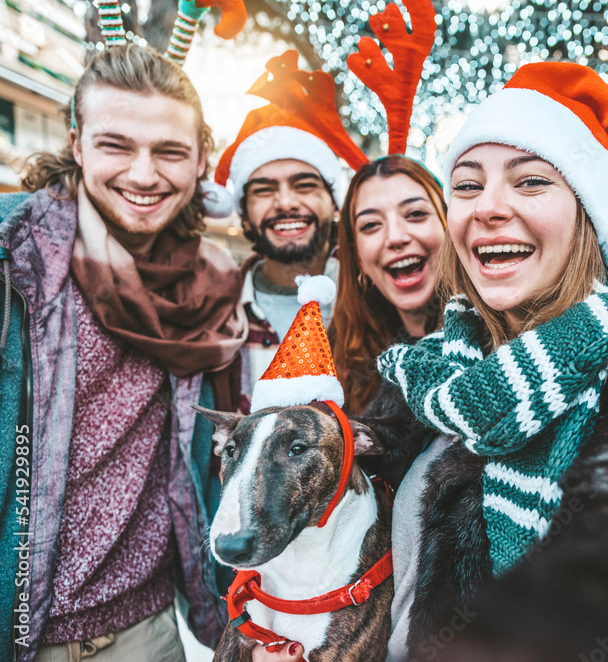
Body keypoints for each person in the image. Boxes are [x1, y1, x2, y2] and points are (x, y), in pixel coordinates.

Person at [366, 61, 608, 660]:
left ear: (587, 218)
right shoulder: (429, 371)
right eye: (467, 185)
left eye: (531, 182)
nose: (488, 207)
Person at [0, 44, 247, 661]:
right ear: (77, 144)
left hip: (150, 634)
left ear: (199, 163)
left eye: (168, 151)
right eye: (116, 146)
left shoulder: (209, 287)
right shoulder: (15, 260)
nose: (143, 175)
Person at [213, 51, 369, 407]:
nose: (285, 202)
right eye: (265, 190)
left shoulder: (374, 300)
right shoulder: (212, 311)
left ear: (333, 203)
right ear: (244, 212)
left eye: (304, 185)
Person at [330, 155, 447, 414]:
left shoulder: (508, 344)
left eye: (416, 214)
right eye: (371, 225)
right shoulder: (339, 370)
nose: (395, 237)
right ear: (357, 257)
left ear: (449, 225)